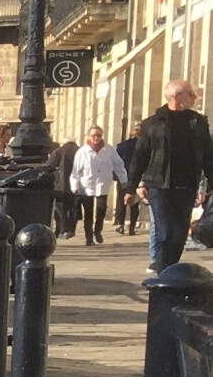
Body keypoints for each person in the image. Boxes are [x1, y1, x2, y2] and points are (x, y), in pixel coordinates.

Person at [131, 79, 212, 271]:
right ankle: (162, 271)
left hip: (186, 186)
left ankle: (169, 270)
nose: (194, 98)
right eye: (190, 94)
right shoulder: (152, 124)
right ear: (177, 97)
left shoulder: (198, 123)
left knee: (179, 234)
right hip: (159, 185)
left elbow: (209, 155)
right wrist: (132, 185)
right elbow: (140, 155)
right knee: (165, 232)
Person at [69, 125, 125, 247]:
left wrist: (124, 180)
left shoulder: (109, 150)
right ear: (89, 136)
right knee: (88, 212)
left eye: (99, 135)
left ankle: (98, 230)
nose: (96, 138)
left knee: (101, 208)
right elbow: (76, 171)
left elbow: (119, 165)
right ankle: (88, 237)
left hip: (102, 183)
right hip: (86, 185)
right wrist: (75, 185)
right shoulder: (82, 151)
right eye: (94, 135)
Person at [116, 127, 144, 236]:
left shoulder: (122, 146)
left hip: (123, 176)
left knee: (121, 201)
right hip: (137, 177)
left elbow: (116, 162)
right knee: (134, 203)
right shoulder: (142, 146)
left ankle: (121, 225)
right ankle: (132, 227)